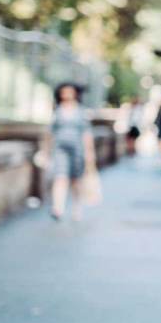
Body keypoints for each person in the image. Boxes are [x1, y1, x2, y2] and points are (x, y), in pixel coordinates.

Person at [48, 82, 96, 221]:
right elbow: (50, 132)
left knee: (75, 180)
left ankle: (77, 207)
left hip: (78, 149)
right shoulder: (57, 110)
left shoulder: (81, 111)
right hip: (60, 148)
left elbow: (87, 134)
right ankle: (57, 208)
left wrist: (89, 153)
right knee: (60, 176)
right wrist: (46, 151)